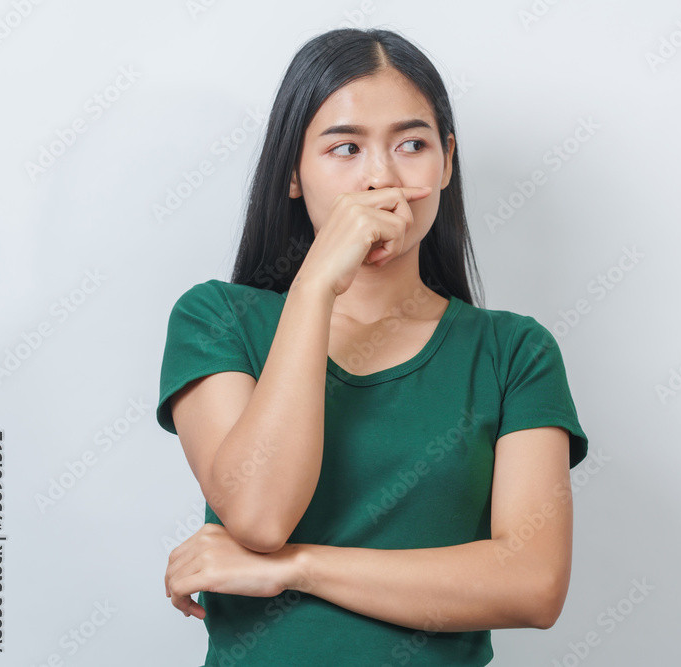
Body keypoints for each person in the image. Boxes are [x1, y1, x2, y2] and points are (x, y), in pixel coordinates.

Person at [157, 27, 588, 666]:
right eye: (345, 149)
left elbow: (533, 586)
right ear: (294, 175)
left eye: (411, 144)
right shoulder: (218, 319)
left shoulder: (513, 352)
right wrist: (314, 290)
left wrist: (297, 568)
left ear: (445, 160)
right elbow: (258, 516)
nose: (380, 177)